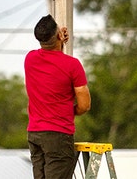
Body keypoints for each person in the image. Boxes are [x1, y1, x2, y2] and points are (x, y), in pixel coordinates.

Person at [24, 14, 91, 179]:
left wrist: (59, 38)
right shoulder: (72, 65)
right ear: (59, 35)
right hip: (58, 135)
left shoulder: (30, 59)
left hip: (34, 133)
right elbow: (84, 105)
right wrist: (67, 110)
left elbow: (50, 49)